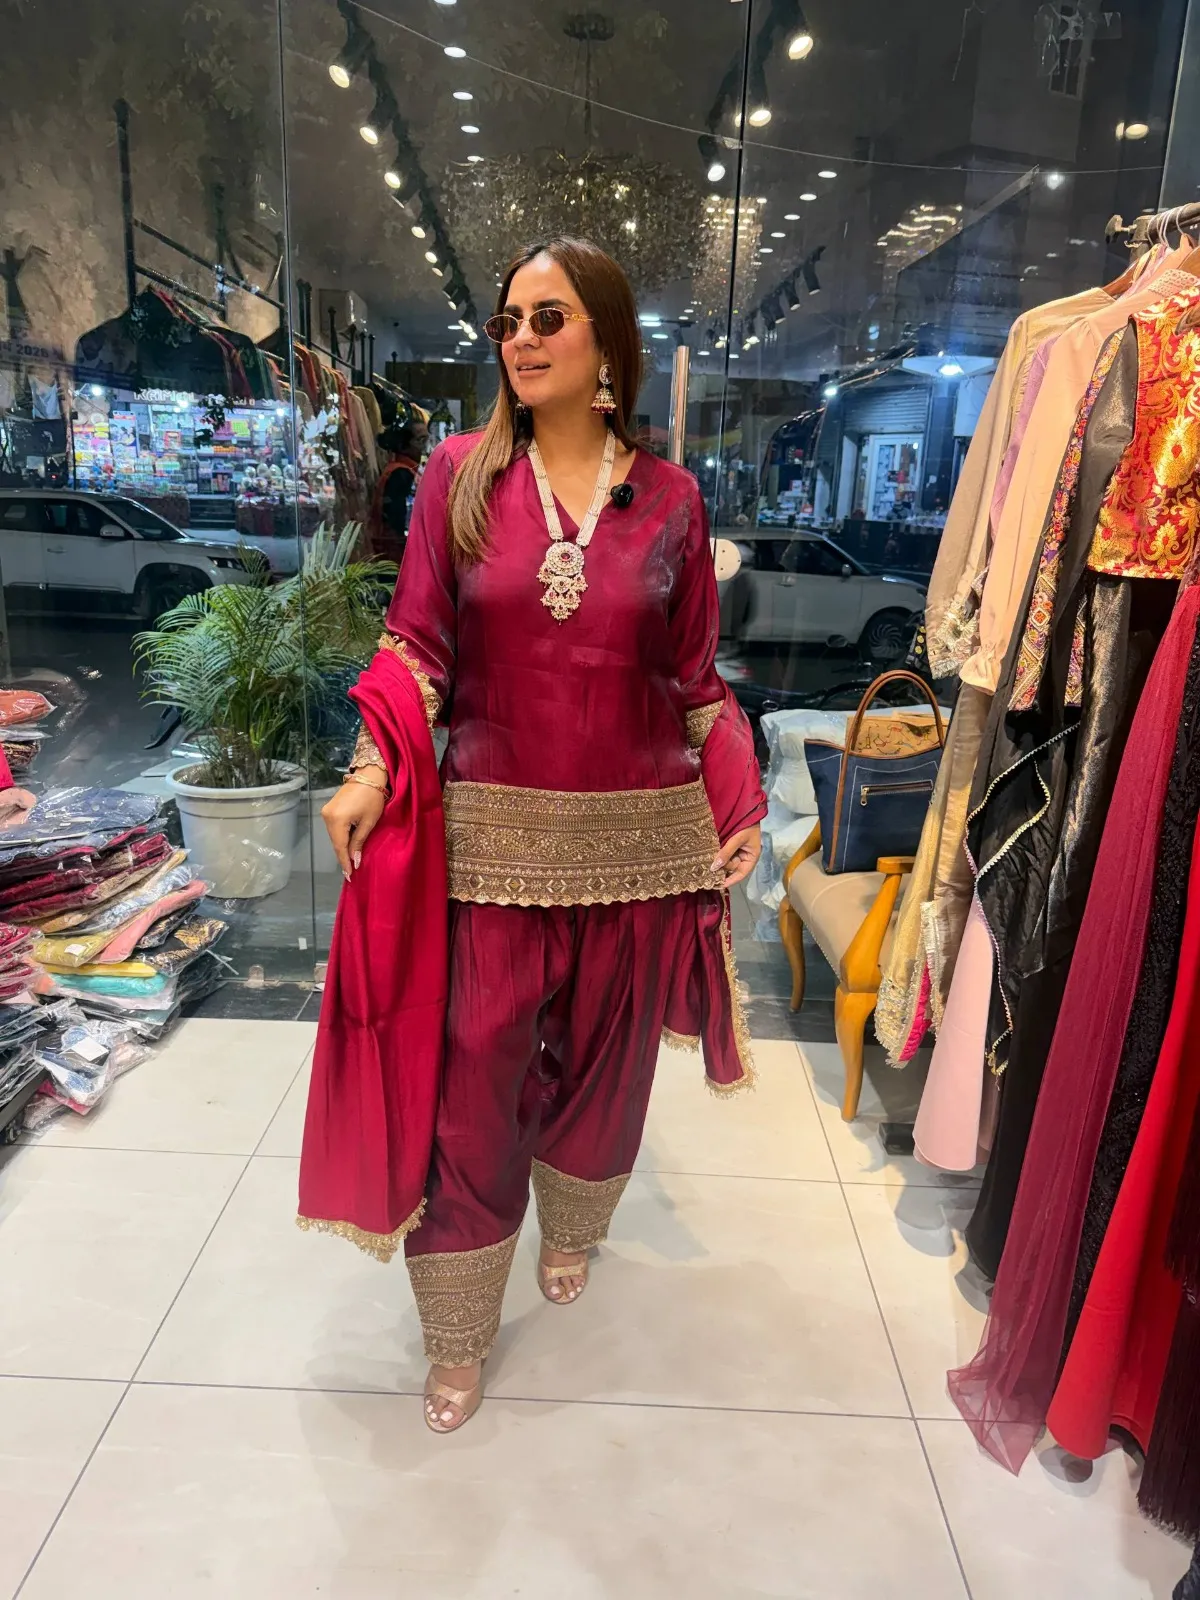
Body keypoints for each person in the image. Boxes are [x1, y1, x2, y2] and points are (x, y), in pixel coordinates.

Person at [318, 236, 766, 1435]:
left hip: (636, 846)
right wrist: (370, 770)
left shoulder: (670, 501)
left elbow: (694, 680)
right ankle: (460, 1326)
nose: (520, 338)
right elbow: (417, 646)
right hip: (489, 847)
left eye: (548, 317)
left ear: (607, 342)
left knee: (604, 1071)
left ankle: (572, 1225)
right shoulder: (458, 478)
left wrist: (737, 803)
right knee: (474, 1084)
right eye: (509, 319)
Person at [366, 416, 428, 565]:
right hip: (397, 556)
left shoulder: (406, 471)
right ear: (404, 446)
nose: (425, 447)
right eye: (420, 440)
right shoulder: (400, 474)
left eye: (426, 440)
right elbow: (398, 522)